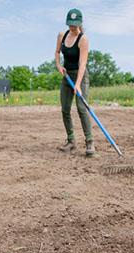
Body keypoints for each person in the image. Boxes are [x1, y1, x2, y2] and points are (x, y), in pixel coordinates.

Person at [55, 8, 95, 157]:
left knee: (81, 108)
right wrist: (59, 65)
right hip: (66, 76)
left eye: (75, 24)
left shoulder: (83, 39)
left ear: (80, 23)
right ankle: (71, 141)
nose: (72, 27)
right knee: (65, 109)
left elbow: (83, 64)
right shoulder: (62, 35)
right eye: (70, 24)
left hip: (80, 75)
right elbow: (57, 52)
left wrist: (78, 84)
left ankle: (90, 142)